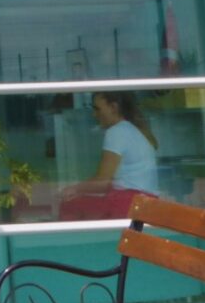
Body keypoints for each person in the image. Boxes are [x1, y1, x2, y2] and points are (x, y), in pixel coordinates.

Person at [59, 91, 160, 221]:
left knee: (69, 205)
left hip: (129, 204)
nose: (94, 114)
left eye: (97, 109)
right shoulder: (133, 130)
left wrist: (74, 189)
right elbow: (111, 183)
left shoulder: (117, 131)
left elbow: (103, 181)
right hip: (145, 205)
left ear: (113, 107)